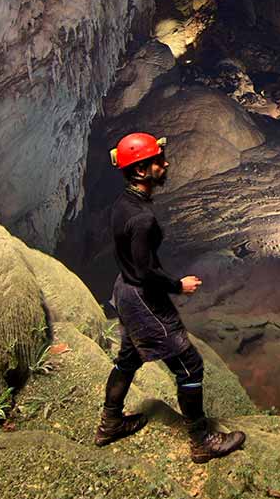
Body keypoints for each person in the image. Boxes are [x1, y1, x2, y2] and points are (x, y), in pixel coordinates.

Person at [94, 131, 246, 463]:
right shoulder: (142, 218)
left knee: (128, 359)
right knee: (190, 366)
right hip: (143, 298)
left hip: (125, 289)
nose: (165, 164)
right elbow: (147, 271)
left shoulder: (124, 202)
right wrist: (179, 285)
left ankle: (110, 423)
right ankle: (201, 440)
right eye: (157, 162)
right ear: (139, 171)